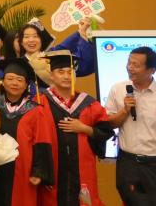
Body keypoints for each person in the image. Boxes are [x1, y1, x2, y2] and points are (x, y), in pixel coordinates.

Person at [104, 46, 156, 205]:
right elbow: (109, 124)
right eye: (129, 62)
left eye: (135, 65)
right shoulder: (117, 89)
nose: (130, 68)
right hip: (128, 165)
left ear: (151, 70)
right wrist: (125, 110)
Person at [40, 50, 112, 206]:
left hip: (83, 170)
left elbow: (106, 132)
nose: (66, 76)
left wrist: (84, 128)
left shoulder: (90, 104)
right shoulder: (40, 102)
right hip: (52, 169)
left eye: (70, 72)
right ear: (51, 75)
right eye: (61, 72)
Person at [0, 57, 55, 206]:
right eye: (10, 78)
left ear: (26, 85)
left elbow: (42, 141)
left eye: (20, 80)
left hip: (23, 169)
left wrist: (38, 172)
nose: (14, 83)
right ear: (3, 81)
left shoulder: (36, 110)